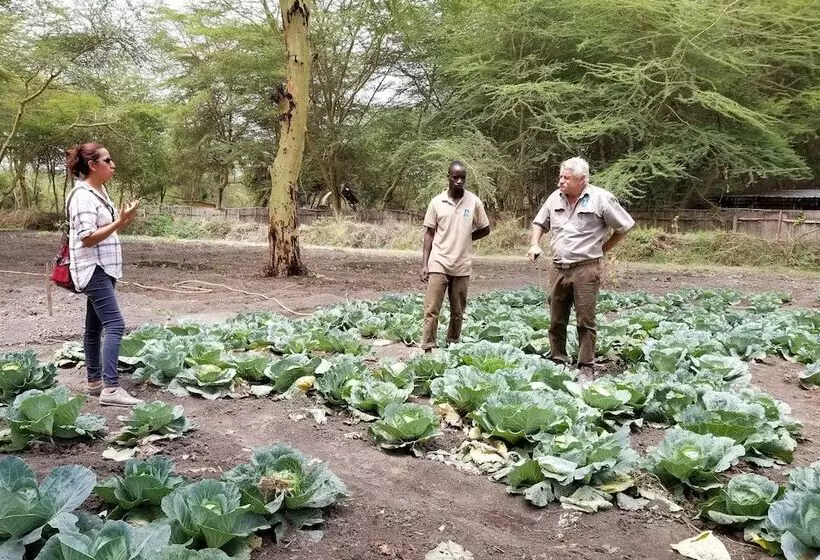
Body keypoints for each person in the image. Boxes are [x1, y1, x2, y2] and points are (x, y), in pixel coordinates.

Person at [527, 156, 634, 370]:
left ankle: (586, 363)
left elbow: (624, 226)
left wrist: (604, 248)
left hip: (586, 268)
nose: (561, 182)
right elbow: (539, 222)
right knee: (556, 318)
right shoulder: (554, 198)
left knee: (585, 319)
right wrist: (534, 243)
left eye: (566, 178)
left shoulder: (600, 198)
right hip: (558, 267)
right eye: (560, 177)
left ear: (582, 180)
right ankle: (558, 358)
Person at [65, 143, 142, 406]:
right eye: (108, 160)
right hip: (93, 269)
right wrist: (120, 222)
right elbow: (86, 238)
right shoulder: (82, 196)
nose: (113, 164)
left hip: (105, 268)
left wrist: (124, 219)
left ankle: (95, 381)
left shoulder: (100, 192)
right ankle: (111, 389)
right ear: (92, 165)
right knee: (116, 325)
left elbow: (106, 229)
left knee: (94, 327)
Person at [420, 161, 491, 351]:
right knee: (432, 309)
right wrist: (425, 264)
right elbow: (429, 234)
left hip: (461, 264)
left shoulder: (474, 202)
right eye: (455, 177)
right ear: (449, 177)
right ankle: (428, 346)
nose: (459, 181)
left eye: (463, 178)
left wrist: (467, 237)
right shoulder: (436, 202)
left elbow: (485, 229)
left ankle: (452, 344)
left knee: (458, 311)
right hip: (439, 261)